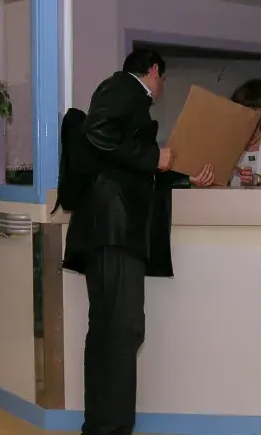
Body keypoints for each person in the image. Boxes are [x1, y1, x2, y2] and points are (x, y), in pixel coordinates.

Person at [59, 49, 214, 435]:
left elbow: (126, 166)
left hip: (109, 233)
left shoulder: (124, 96)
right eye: (164, 80)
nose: (162, 89)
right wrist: (153, 156)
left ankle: (102, 425)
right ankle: (110, 428)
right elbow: (98, 131)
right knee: (121, 330)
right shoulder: (125, 87)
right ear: (154, 70)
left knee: (110, 331)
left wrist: (183, 177)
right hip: (114, 232)